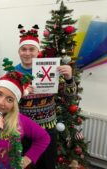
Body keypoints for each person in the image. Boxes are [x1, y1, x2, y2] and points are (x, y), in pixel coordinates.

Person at [15, 24, 77, 169]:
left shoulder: (51, 69)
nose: (27, 53)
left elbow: (70, 96)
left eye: (32, 49)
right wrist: (21, 93)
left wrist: (69, 78)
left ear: (38, 51)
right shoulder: (13, 73)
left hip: (47, 128)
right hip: (24, 130)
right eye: (24, 49)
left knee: (47, 165)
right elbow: (6, 104)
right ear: (19, 51)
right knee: (25, 166)